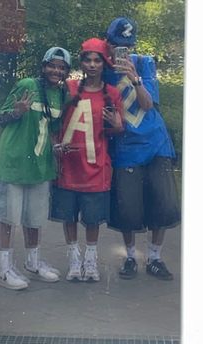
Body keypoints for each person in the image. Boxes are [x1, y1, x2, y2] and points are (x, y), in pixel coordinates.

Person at [0, 47, 72, 290]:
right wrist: (17, 111)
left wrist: (56, 148)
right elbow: (1, 118)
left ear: (66, 71)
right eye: (52, 65)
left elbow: (51, 129)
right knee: (7, 216)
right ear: (43, 67)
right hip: (13, 161)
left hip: (40, 165)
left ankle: (33, 263)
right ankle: (3, 269)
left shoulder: (60, 94)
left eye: (61, 67)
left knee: (34, 217)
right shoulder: (27, 85)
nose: (56, 70)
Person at [104, 17, 181, 280]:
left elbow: (148, 104)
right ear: (108, 43)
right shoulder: (102, 69)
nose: (122, 50)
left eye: (128, 45)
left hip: (156, 142)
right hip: (126, 145)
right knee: (128, 206)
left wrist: (134, 79)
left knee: (162, 202)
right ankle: (130, 257)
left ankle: (156, 258)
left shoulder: (144, 63)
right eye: (117, 45)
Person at [49, 38, 123, 282]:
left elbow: (115, 130)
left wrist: (117, 126)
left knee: (92, 217)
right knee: (68, 214)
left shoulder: (111, 94)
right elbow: (52, 118)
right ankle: (73, 256)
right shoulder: (67, 88)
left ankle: (90, 258)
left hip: (95, 165)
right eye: (87, 60)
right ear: (80, 62)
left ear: (104, 64)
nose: (92, 65)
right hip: (68, 165)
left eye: (97, 60)